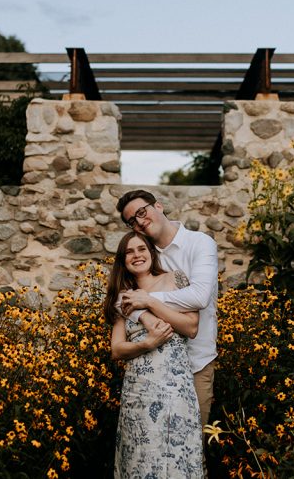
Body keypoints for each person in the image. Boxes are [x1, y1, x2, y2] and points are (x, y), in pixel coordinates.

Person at [103, 231, 205, 479]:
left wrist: (147, 301)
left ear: (151, 253)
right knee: (141, 454)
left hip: (174, 383)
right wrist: (147, 343)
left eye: (142, 249)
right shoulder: (121, 296)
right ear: (122, 260)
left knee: (177, 449)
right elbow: (117, 349)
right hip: (138, 388)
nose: (137, 255)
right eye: (129, 251)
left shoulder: (175, 279)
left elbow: (191, 327)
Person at [116, 190, 218, 427]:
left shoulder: (199, 243)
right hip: (153, 367)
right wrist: (141, 313)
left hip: (196, 362)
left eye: (142, 212)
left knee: (192, 444)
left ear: (159, 206)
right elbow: (120, 297)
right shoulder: (143, 253)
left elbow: (200, 296)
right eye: (132, 221)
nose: (140, 222)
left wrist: (148, 300)